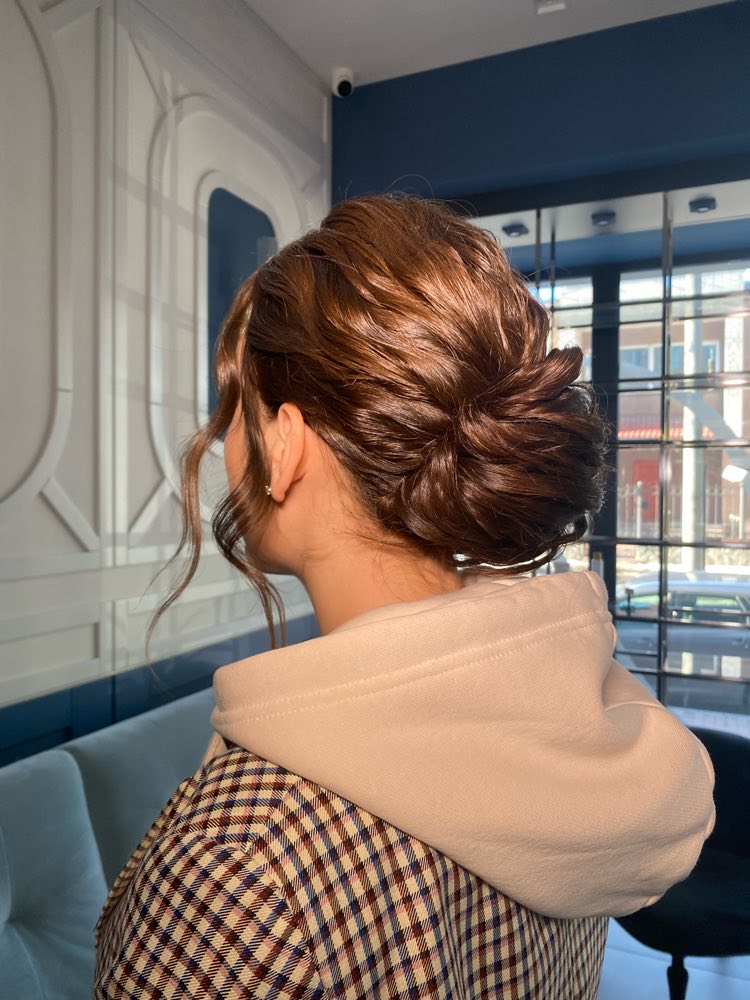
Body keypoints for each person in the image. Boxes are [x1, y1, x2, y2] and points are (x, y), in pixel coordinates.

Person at [94, 195, 715, 998]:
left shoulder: (239, 869)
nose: (223, 444)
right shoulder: (570, 732)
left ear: (286, 444)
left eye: (235, 411)